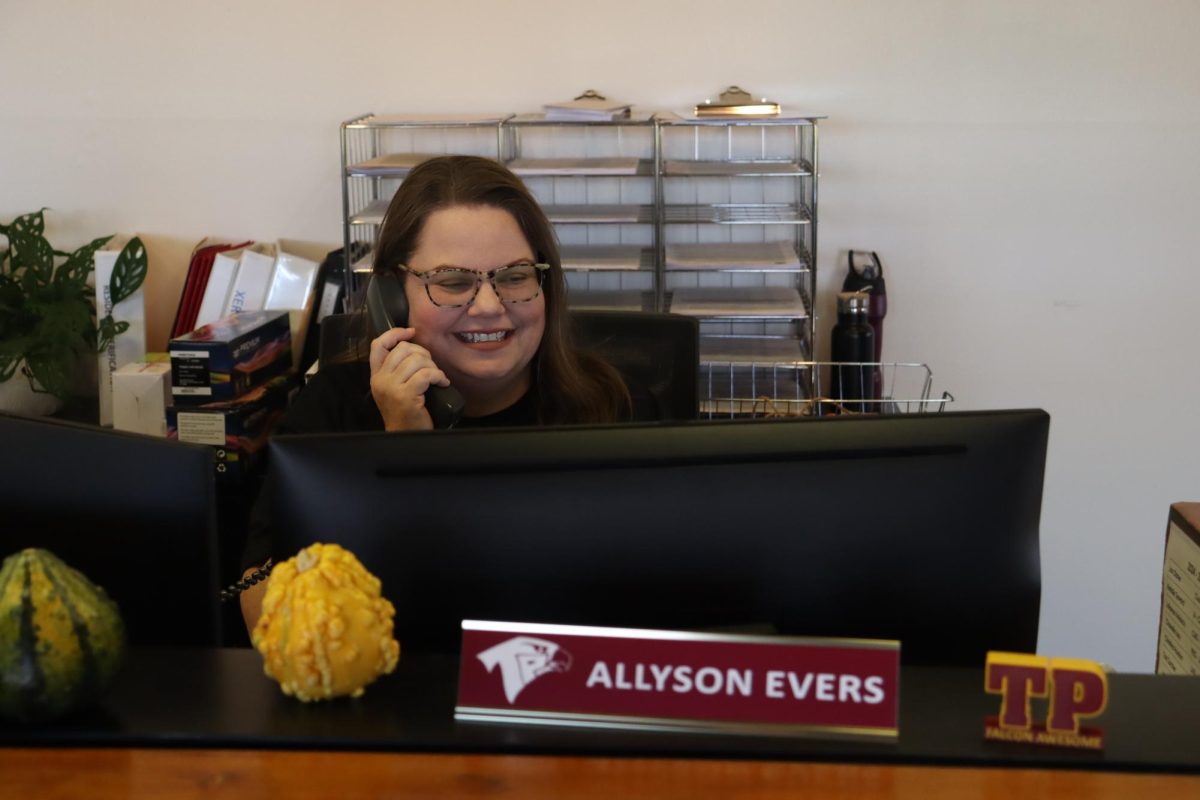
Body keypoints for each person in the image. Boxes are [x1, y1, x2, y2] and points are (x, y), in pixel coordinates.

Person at [238, 155, 655, 630]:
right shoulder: (333, 412)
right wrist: (403, 452)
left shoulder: (620, 409)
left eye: (515, 276)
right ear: (393, 296)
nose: (489, 307)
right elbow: (260, 611)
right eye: (453, 283)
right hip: (395, 693)